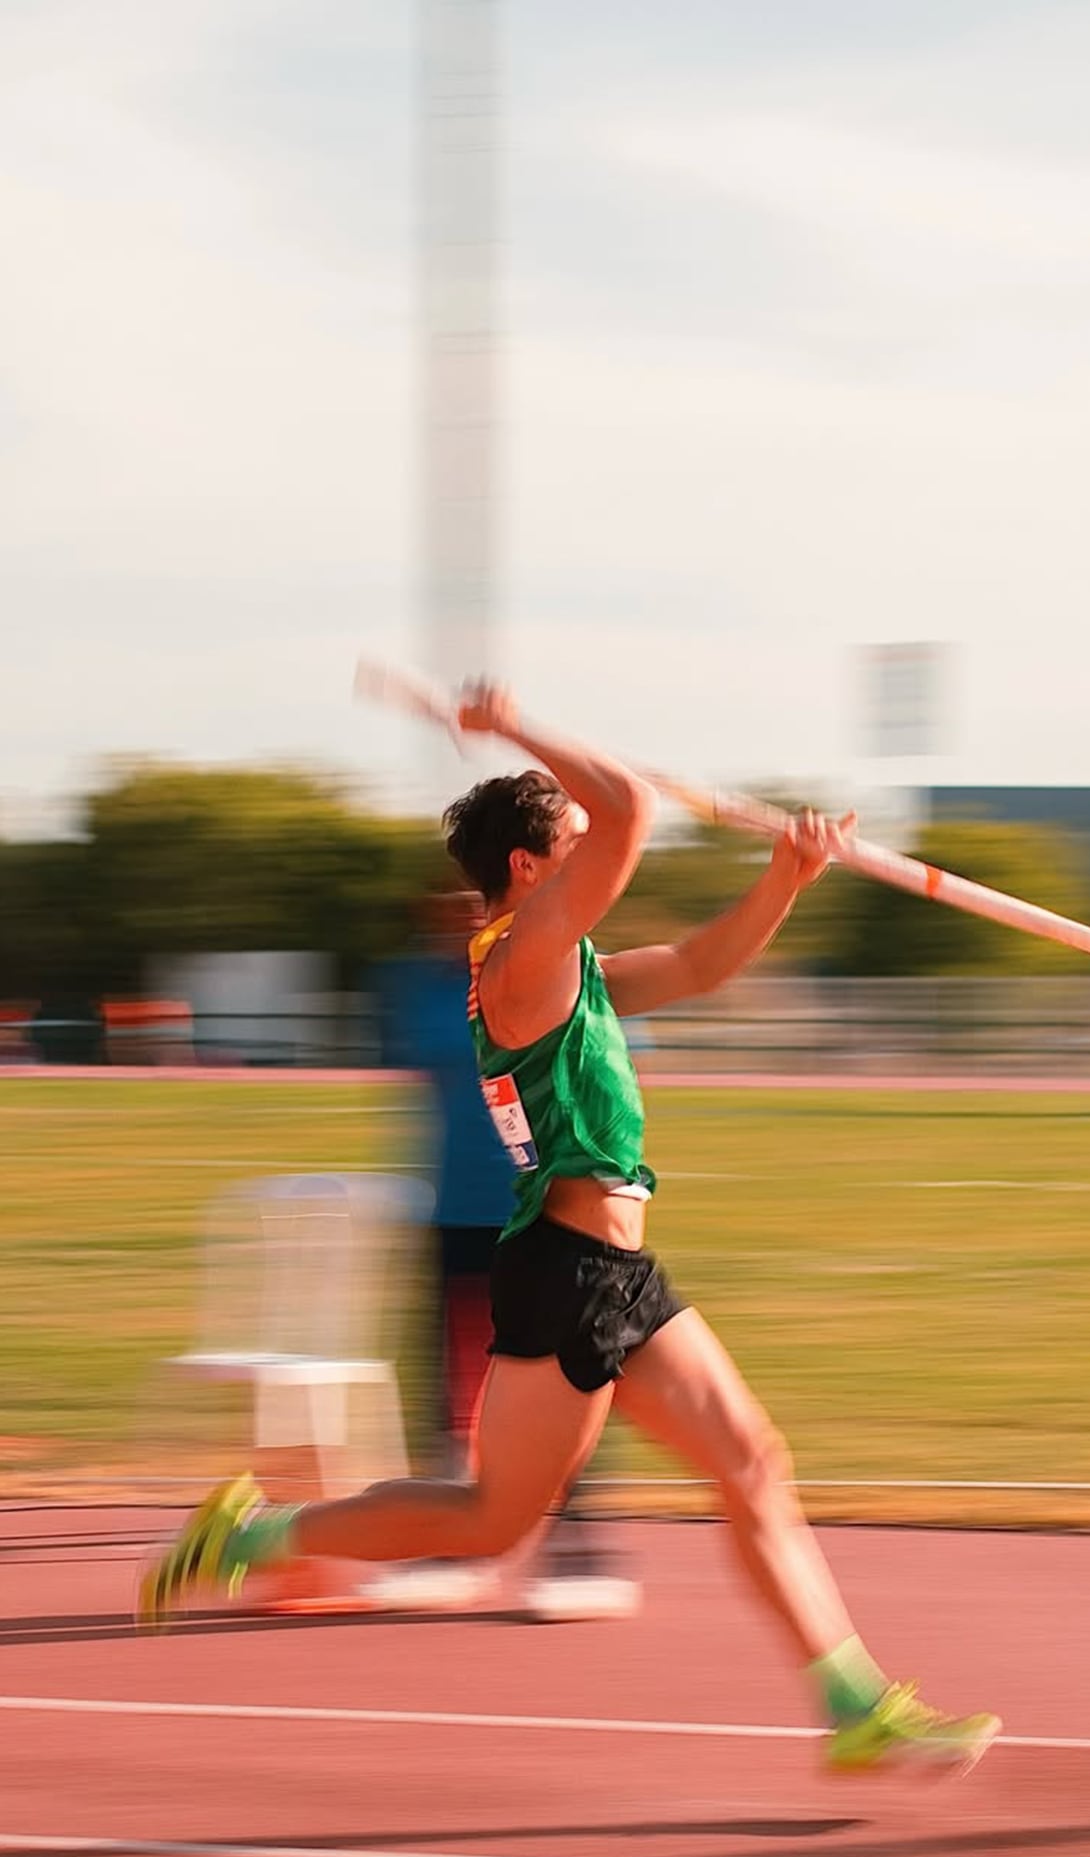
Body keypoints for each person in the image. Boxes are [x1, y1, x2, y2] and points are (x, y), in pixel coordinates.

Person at [139, 682, 1000, 1774]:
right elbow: (630, 804)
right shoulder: (516, 962)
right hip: (563, 1270)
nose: (597, 844)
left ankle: (853, 1706)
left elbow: (698, 966)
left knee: (752, 1464)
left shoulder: (570, 968)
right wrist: (514, 726)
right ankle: (252, 1535)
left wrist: (785, 875)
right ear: (528, 867)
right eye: (572, 836)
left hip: (618, 1271)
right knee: (491, 1520)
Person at [375, 889, 640, 1618]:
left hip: (544, 1210)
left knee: (569, 1381)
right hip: (454, 1210)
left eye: (474, 906)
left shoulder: (553, 973)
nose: (460, 917)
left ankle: (579, 1549)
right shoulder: (415, 987)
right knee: (447, 1396)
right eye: (447, 907)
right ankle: (447, 1549)